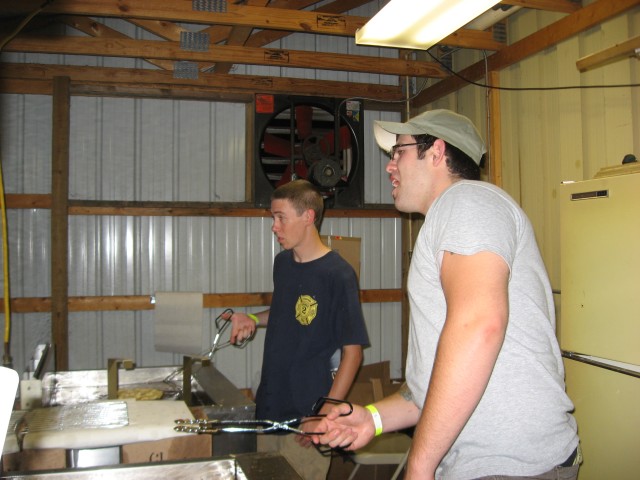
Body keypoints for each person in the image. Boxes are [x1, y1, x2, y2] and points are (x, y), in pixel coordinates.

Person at [313, 109, 580, 480]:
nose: (390, 166)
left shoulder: (466, 201)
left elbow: (479, 325)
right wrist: (371, 420)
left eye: (398, 152)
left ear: (436, 152)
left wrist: (420, 467)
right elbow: (432, 386)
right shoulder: (449, 220)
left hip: (508, 466)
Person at [228, 179, 369, 480]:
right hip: (269, 407)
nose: (274, 227)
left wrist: (325, 414)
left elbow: (353, 354)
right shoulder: (283, 264)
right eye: (272, 218)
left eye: (281, 217)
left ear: (308, 217)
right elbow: (284, 314)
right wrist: (251, 319)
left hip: (308, 418)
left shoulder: (339, 275)